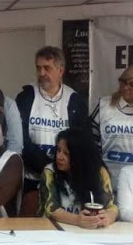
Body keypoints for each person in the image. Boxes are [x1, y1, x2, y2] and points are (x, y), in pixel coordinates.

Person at [16, 46, 91, 214]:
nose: (41, 73)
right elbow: (20, 139)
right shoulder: (26, 97)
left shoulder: (75, 101)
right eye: (38, 68)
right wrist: (46, 165)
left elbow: (81, 142)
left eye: (47, 68)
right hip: (31, 178)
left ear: (61, 70)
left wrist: (59, 167)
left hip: (65, 179)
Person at [39, 127, 118, 229]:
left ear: (80, 156)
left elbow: (112, 206)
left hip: (88, 233)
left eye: (66, 153)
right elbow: (52, 209)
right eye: (58, 150)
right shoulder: (49, 172)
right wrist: (77, 220)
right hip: (56, 230)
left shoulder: (99, 173)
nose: (59, 157)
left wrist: (108, 217)